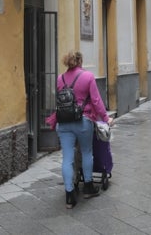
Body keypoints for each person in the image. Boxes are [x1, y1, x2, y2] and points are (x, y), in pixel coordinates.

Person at [51, 50, 113, 209]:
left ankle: (69, 195)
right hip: (83, 122)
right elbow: (96, 101)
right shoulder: (88, 77)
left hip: (64, 123)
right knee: (86, 152)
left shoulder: (60, 78)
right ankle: (88, 187)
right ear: (80, 61)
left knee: (67, 158)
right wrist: (106, 119)